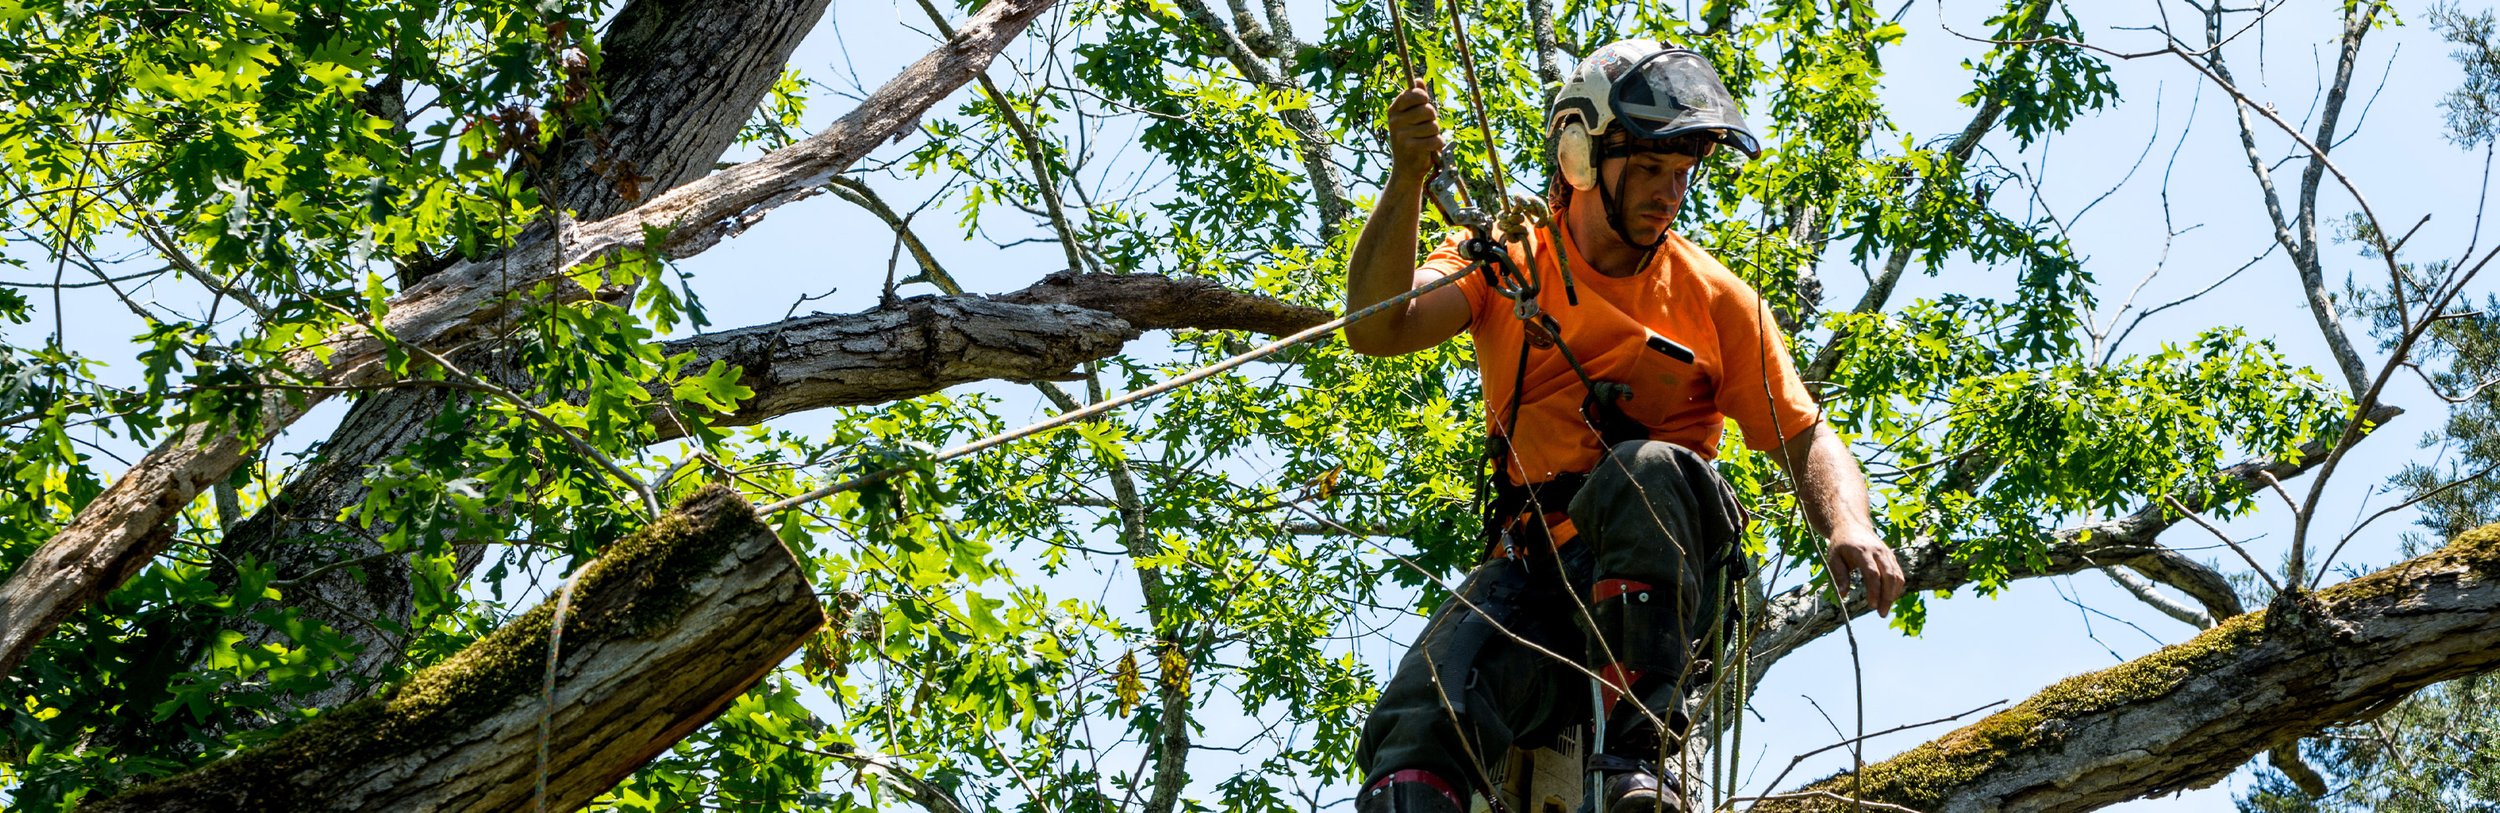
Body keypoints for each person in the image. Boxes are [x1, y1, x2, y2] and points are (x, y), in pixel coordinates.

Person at [1342, 40, 1908, 813]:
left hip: (1664, 589)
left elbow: (1804, 434)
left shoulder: (1718, 299)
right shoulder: (1514, 257)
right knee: (1418, 718)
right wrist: (1408, 180)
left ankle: (1645, 764)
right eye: (1649, 168)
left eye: (1683, 174)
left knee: (1645, 467)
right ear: (1579, 154)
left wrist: (1850, 524)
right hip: (1539, 575)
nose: (1670, 192)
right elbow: (1381, 325)